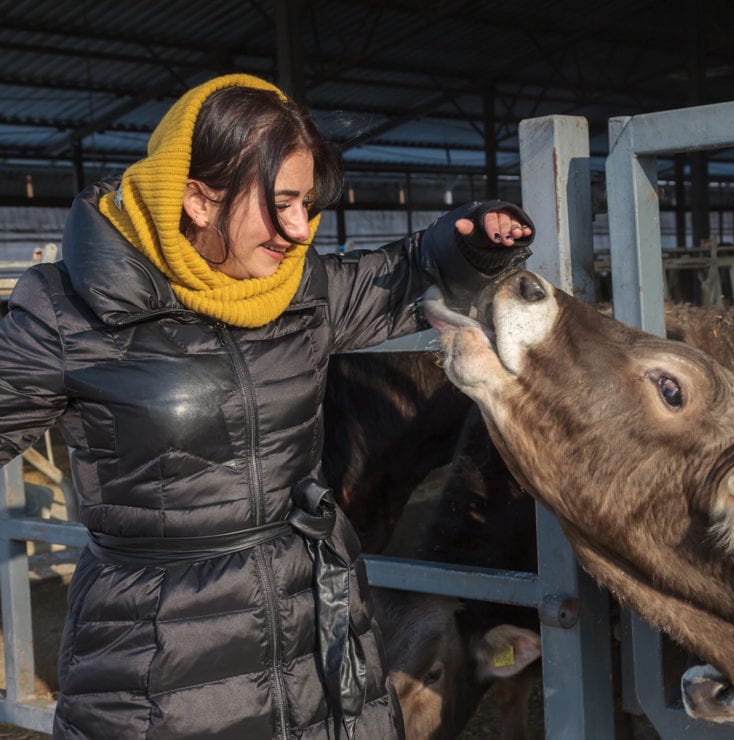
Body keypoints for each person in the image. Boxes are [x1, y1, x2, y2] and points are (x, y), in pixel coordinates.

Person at [0, 73, 533, 739]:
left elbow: (398, 273)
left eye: (306, 204)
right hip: (165, 662)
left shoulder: (294, 290)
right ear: (197, 199)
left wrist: (469, 244)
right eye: (280, 203)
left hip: (318, 634)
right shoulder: (66, 311)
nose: (298, 229)